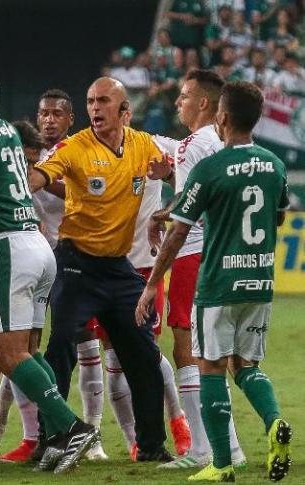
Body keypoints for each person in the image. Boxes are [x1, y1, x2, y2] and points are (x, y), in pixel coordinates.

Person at [136, 81, 292, 483]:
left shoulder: (210, 167)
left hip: (220, 279)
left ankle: (221, 463)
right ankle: (274, 422)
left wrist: (153, 283)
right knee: (246, 365)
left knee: (210, 366)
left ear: (221, 117)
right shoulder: (274, 164)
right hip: (260, 281)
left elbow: (177, 234)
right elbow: (277, 217)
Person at [0, 77, 99, 474]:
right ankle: (54, 439)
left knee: (8, 354)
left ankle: (71, 427)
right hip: (39, 245)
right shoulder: (7, 131)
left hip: (8, 248)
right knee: (30, 350)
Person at [27, 77, 172, 462]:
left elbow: (184, 173)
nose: (95, 108)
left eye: (103, 101)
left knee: (144, 356)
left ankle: (152, 448)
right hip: (76, 265)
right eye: (90, 100)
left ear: (125, 111)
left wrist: (169, 181)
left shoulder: (144, 145)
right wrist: (24, 186)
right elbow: (39, 175)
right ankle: (51, 438)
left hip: (118, 269)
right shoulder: (74, 147)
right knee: (61, 348)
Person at [150, 69, 247, 470]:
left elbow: (194, 204)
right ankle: (231, 447)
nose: (178, 102)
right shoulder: (215, 142)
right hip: (220, 251)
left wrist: (166, 215)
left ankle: (203, 449)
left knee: (188, 348)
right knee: (215, 353)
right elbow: (202, 191)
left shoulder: (195, 143)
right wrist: (170, 184)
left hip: (195, 251)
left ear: (204, 103)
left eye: (185, 96)